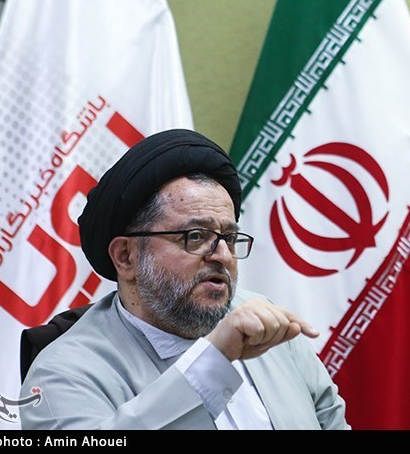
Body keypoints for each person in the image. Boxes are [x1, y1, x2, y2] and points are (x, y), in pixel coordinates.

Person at [19, 128, 350, 430]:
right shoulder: (61, 374)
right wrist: (214, 360)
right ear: (126, 257)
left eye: (229, 238)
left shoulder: (264, 322)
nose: (222, 255)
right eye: (196, 236)